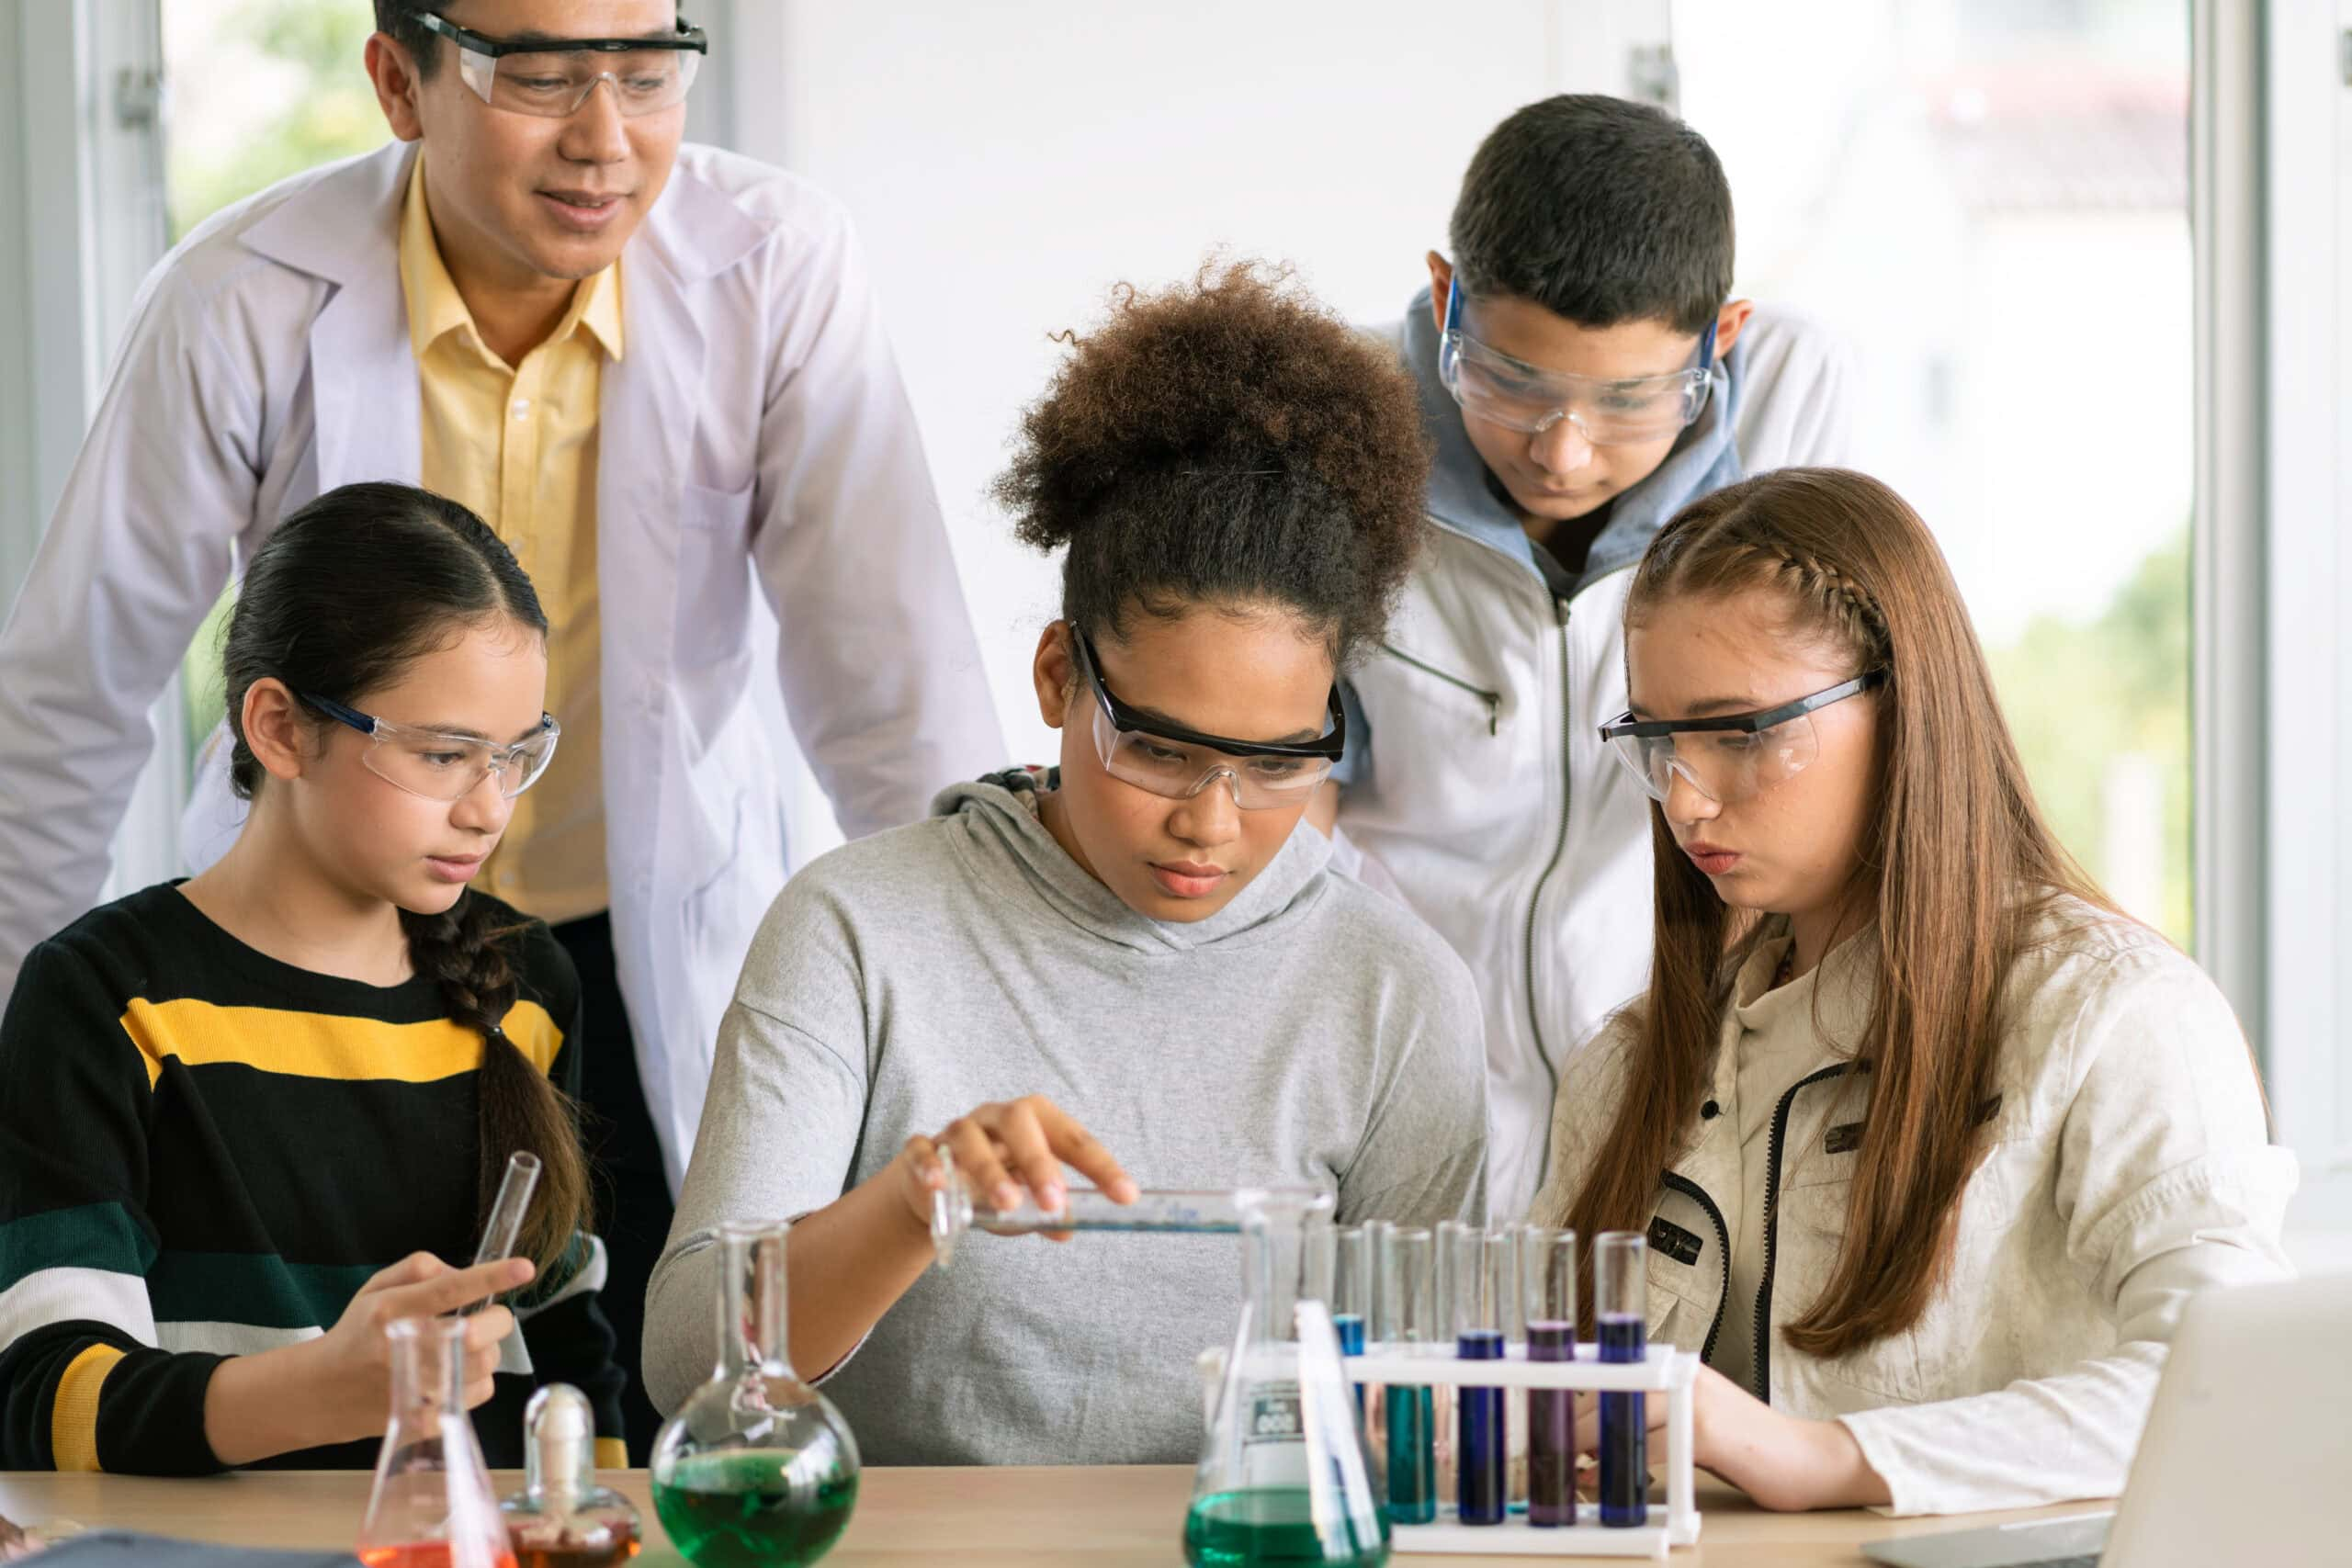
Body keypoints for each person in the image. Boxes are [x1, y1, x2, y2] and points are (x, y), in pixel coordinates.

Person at [0, 0, 1001, 1455]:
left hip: (595, 965)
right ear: (400, 79)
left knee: (628, 1398)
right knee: (270, 1359)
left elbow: (895, 700)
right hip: (320, 953)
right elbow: (70, 699)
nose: (606, 136)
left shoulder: (774, 264)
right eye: (539, 75)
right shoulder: (243, 293)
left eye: (649, 71)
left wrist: (972, 1052)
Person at [643, 265, 1489, 1465]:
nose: (1213, 818)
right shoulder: (860, 927)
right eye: (1157, 747)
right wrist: (912, 1200)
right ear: (1055, 675)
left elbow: (1430, 1419)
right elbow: (687, 1361)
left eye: (1277, 760)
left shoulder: (1393, 992)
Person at [1532, 467, 2297, 1516]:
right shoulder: (1627, 1066)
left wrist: (1823, 1456)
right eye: (1657, 741)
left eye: (1742, 734)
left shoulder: (2114, 1015)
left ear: (1906, 708)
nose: (1686, 796)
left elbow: (2229, 1389)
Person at [0, 483, 627, 1473]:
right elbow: (41, 1398)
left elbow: (571, 1360)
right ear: (281, 728)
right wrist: (323, 1390)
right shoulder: (104, 999)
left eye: (517, 755)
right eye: (446, 755)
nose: (490, 808)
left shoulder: (529, 989)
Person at [1323, 95, 1858, 1222]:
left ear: (1721, 339)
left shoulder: (1793, 401)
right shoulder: (1332, 420)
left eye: (1627, 402)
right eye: (1511, 382)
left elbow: (1837, 754)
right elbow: (1297, 791)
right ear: (1443, 295)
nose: (1562, 452)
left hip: (1687, 1067)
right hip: (1399, 1071)